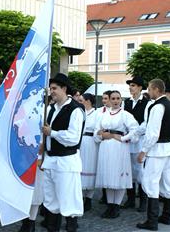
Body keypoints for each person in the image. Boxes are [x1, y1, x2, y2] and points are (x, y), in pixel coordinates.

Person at [41, 73, 85, 232]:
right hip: (51, 161)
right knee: (51, 201)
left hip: (67, 162)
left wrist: (52, 132)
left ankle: (71, 228)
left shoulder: (75, 110)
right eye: (50, 88)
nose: (51, 91)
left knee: (68, 201)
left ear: (64, 89)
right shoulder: (51, 108)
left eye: (54, 88)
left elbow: (73, 138)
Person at [137, 79, 170, 230]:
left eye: (149, 88)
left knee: (150, 182)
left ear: (156, 89)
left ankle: (152, 221)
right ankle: (166, 216)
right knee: (167, 182)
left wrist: (143, 151)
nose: (148, 91)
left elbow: (153, 133)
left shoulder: (158, 106)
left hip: (158, 150)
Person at [95, 90, 139, 219]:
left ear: (121, 100)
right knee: (108, 176)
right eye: (112, 98)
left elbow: (135, 130)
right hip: (105, 147)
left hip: (119, 148)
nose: (115, 101)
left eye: (117, 98)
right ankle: (110, 206)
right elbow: (96, 131)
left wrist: (123, 138)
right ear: (109, 99)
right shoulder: (103, 115)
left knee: (118, 176)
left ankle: (116, 207)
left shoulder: (125, 115)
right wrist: (101, 135)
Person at [123, 76, 150, 212]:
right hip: (128, 140)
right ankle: (131, 199)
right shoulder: (126, 102)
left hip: (140, 141)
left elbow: (146, 122)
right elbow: (123, 119)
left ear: (140, 87)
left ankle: (143, 200)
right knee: (129, 170)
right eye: (130, 85)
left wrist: (135, 133)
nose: (130, 87)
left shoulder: (147, 103)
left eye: (133, 85)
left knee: (140, 170)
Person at [78, 93, 98, 212]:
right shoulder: (79, 112)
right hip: (80, 142)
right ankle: (79, 196)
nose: (80, 102)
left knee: (90, 167)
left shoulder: (96, 114)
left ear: (88, 101)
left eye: (82, 100)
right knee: (80, 168)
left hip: (91, 143)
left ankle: (89, 198)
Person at [97, 90, 111, 205]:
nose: (104, 101)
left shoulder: (119, 112)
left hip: (114, 144)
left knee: (110, 169)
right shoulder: (99, 111)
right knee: (103, 169)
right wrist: (99, 135)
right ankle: (104, 194)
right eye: (103, 98)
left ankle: (111, 199)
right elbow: (97, 128)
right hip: (102, 143)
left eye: (106, 98)